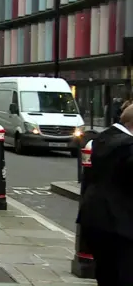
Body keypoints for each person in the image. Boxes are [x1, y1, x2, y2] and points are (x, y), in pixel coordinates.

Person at [77, 103, 133, 285]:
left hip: (94, 219)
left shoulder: (102, 139)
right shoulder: (128, 147)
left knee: (106, 274)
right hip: (121, 226)